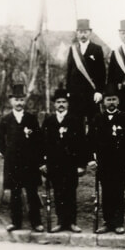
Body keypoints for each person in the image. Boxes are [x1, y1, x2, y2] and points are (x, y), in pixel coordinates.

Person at [88, 83, 125, 234]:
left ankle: (118, 222)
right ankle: (107, 222)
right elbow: (90, 140)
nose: (111, 102)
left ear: (118, 101)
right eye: (108, 99)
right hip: (103, 163)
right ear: (103, 102)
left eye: (114, 99)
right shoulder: (97, 119)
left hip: (120, 164)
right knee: (106, 193)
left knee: (118, 192)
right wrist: (91, 159)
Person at [0, 84, 44, 232]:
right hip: (13, 163)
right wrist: (8, 153)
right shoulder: (6, 120)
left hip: (30, 163)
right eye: (16, 100)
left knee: (32, 193)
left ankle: (36, 222)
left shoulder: (31, 119)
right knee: (15, 193)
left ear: (25, 101)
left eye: (21, 99)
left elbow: (38, 140)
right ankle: (16, 222)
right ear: (11, 101)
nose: (19, 102)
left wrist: (35, 157)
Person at [41, 88, 87, 233]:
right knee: (58, 193)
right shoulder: (49, 121)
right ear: (54, 104)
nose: (61, 104)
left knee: (70, 193)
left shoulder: (75, 120)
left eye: (64, 102)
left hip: (71, 164)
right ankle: (61, 222)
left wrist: (81, 165)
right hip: (54, 164)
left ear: (68, 104)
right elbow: (42, 143)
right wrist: (43, 163)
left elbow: (82, 144)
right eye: (58, 102)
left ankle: (72, 222)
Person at [65, 19, 106, 124]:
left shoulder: (97, 49)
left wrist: (99, 91)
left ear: (90, 33)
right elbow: (69, 71)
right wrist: (68, 90)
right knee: (75, 124)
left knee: (94, 123)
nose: (83, 35)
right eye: (80, 32)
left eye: (85, 32)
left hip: (91, 93)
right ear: (77, 33)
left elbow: (102, 73)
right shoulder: (73, 49)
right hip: (76, 93)